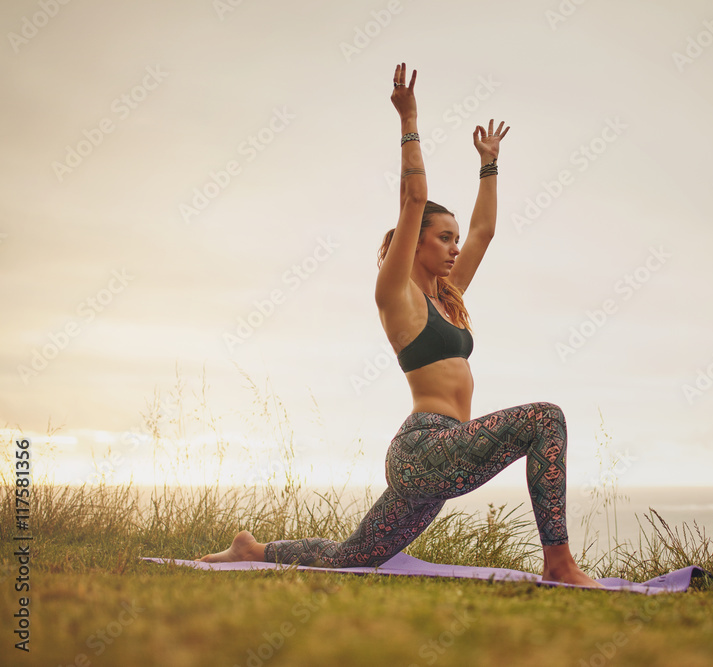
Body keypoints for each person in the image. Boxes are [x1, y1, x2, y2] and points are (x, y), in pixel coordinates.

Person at [197, 63, 601, 587]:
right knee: (546, 419)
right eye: (444, 238)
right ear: (417, 242)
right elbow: (413, 199)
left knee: (353, 556)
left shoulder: (448, 298)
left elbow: (485, 231)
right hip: (424, 449)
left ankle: (253, 549)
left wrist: (490, 167)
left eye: (454, 240)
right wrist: (409, 119)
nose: (456, 247)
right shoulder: (398, 295)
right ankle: (560, 564)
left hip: (447, 451)